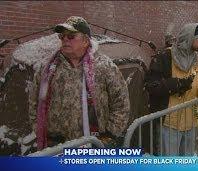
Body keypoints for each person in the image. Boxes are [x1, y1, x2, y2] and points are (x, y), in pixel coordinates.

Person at [29, 16, 130, 150]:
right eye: (62, 36)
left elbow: (121, 103)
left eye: (71, 36)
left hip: (94, 145)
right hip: (55, 147)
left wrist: (110, 134)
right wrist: (39, 129)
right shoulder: (47, 68)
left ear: (86, 41)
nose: (65, 39)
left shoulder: (104, 67)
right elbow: (34, 102)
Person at [145, 23, 198, 156]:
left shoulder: (197, 60)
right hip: (169, 124)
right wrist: (177, 84)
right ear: (189, 39)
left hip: (190, 123)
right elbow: (151, 86)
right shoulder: (165, 57)